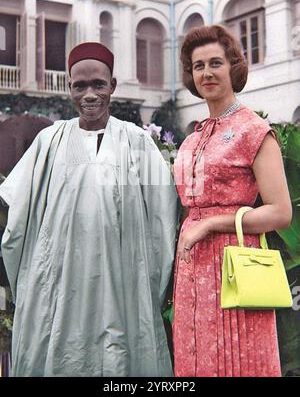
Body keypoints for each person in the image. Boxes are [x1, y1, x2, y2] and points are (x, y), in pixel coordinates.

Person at [0, 42, 177, 377]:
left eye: (99, 84)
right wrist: (29, 282)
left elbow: (163, 219)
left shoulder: (138, 142)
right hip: (59, 285)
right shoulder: (48, 141)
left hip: (123, 284)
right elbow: (19, 219)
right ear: (69, 88)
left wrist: (151, 284)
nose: (90, 94)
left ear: (113, 85)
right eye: (80, 86)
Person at [172, 25, 292, 377]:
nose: (207, 73)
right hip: (193, 270)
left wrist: (211, 223)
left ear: (233, 67)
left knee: (239, 359)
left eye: (215, 63)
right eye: (198, 66)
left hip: (235, 263)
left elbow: (280, 212)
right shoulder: (191, 140)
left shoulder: (254, 131)